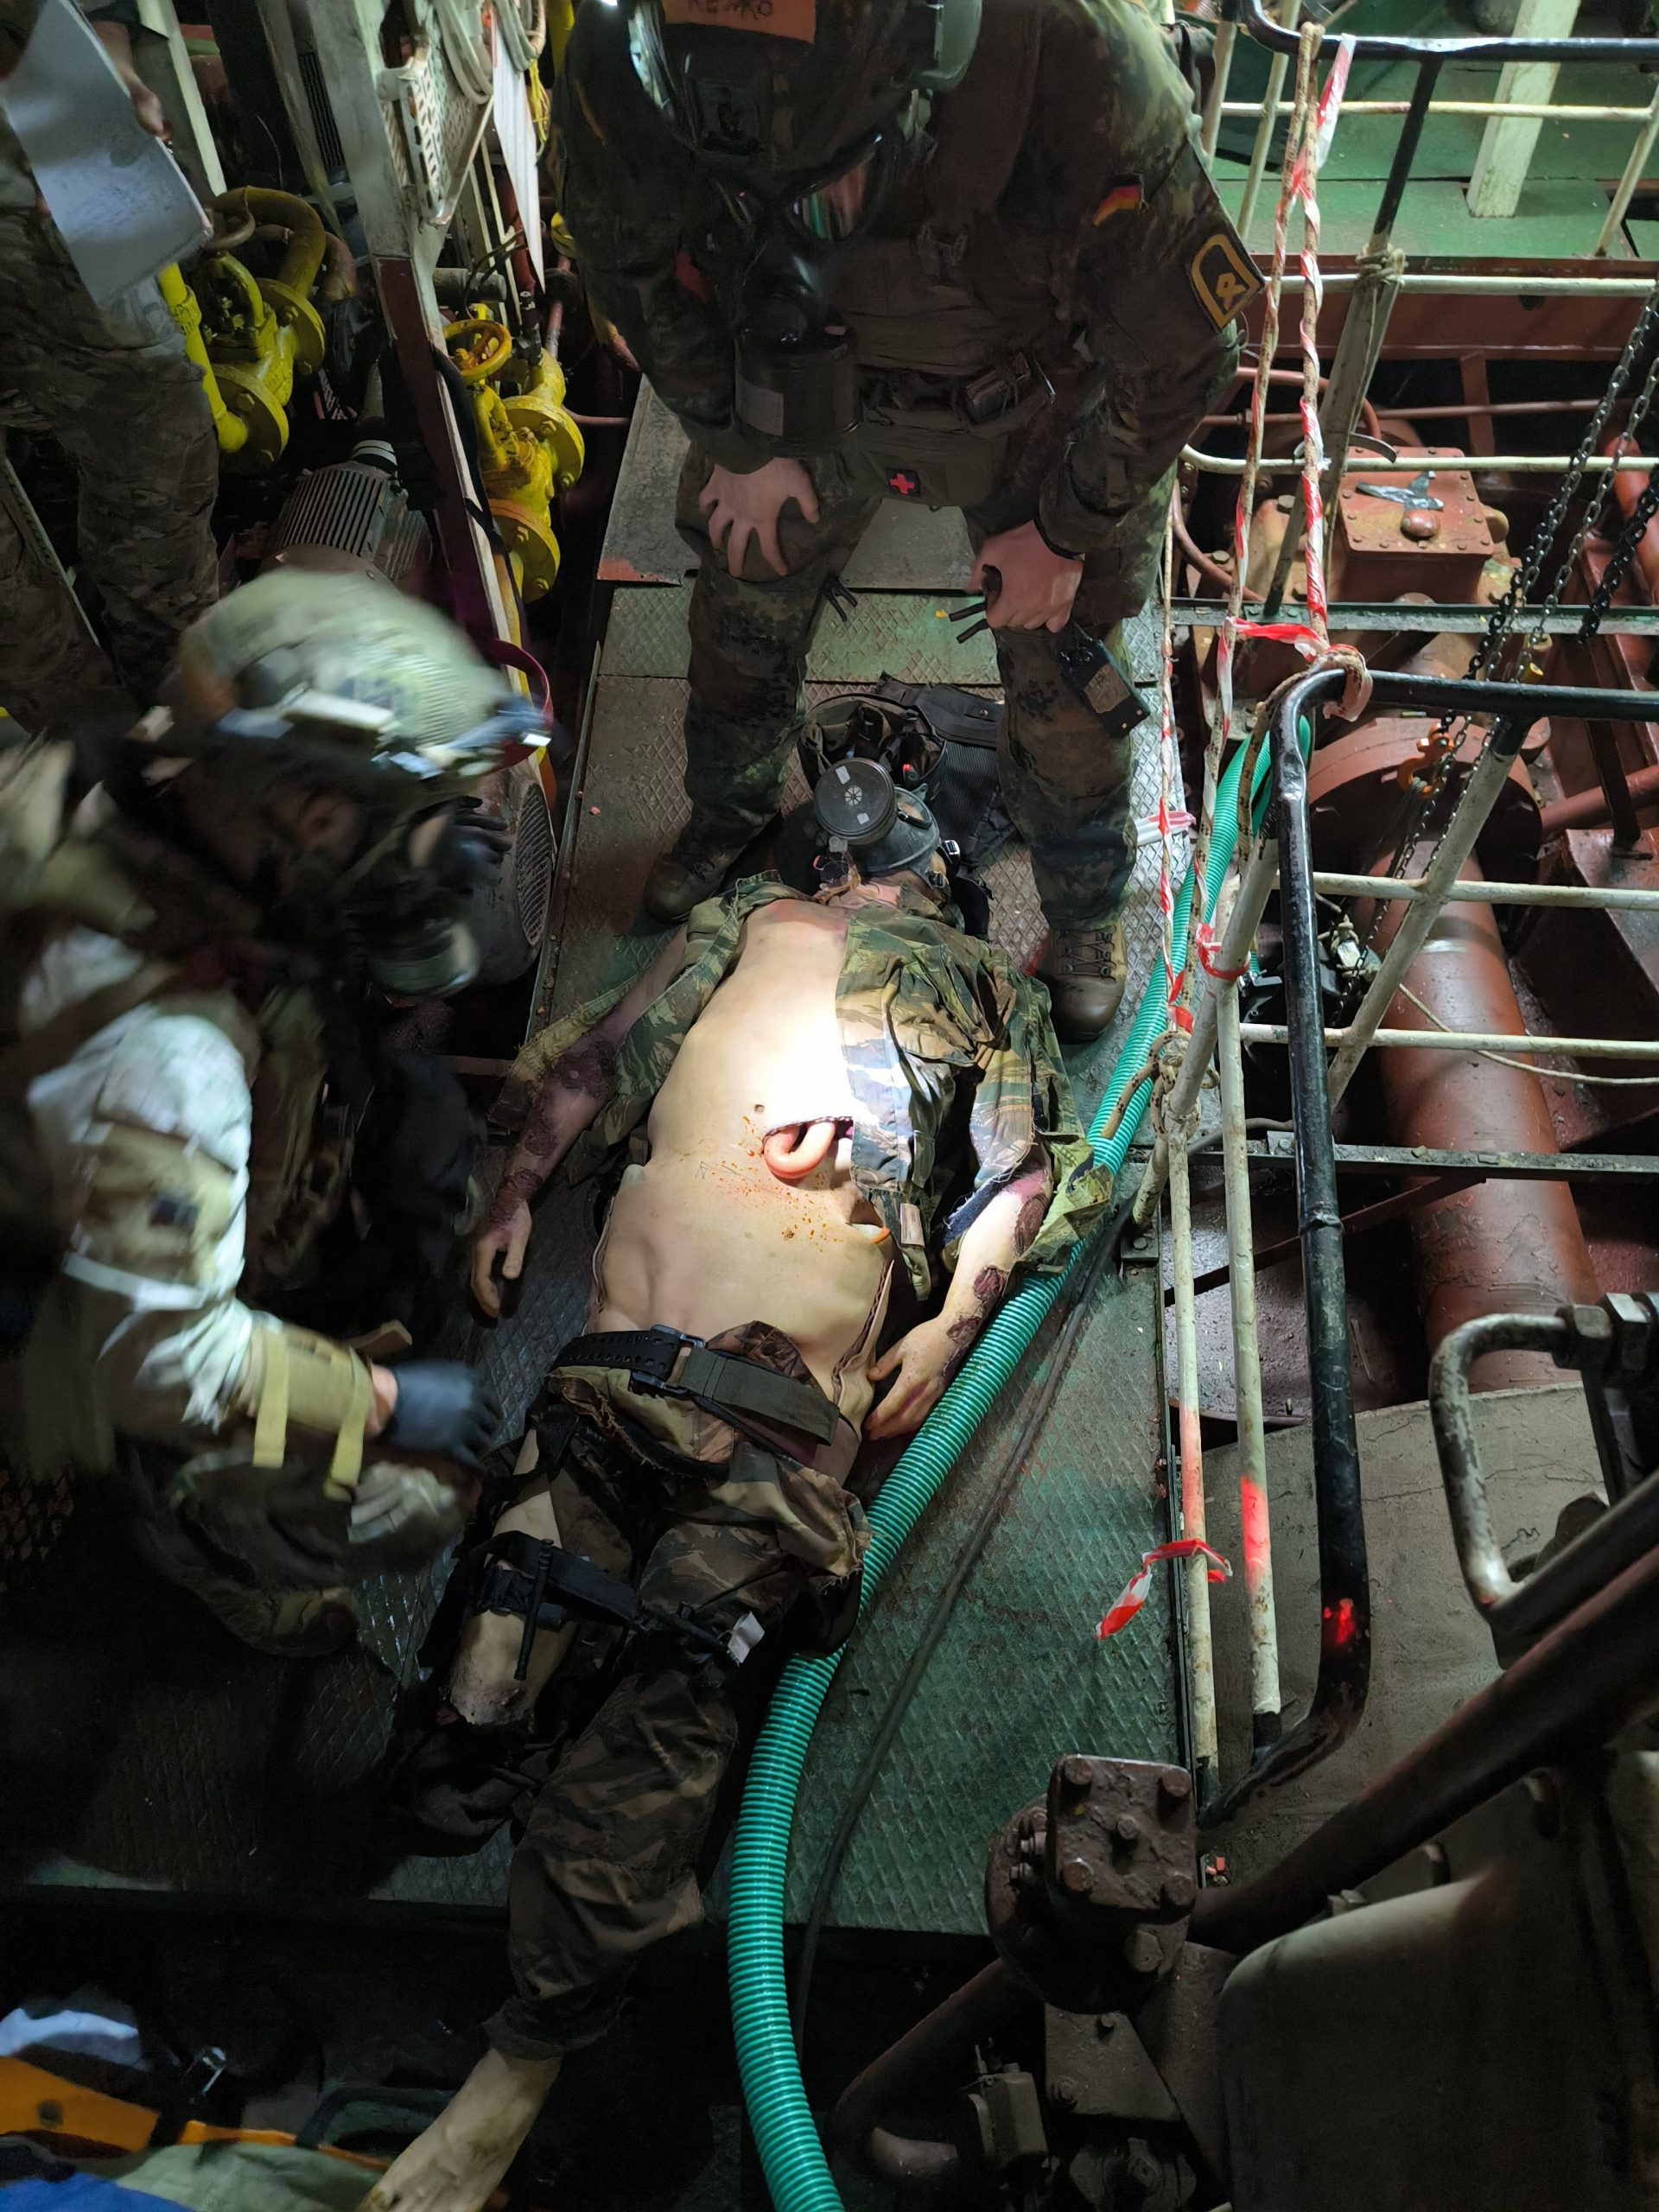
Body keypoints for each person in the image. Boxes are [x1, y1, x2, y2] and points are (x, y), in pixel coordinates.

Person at [367, 766, 1107, 2212]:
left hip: (778, 1429)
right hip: (611, 1380)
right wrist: (517, 1189)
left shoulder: (977, 988)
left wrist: (951, 1326)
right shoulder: (738, 922)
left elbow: (1026, 1173)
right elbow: (598, 1060)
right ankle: (574, 1855)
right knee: (467, 1725)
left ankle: (523, 2063)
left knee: (667, 1707)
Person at [551, 0, 1259, 1037]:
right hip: (796, 383)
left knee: (1069, 679)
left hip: (1040, 407)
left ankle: (1083, 908)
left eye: (822, 182)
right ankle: (727, 816)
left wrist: (1067, 528)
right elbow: (630, 271)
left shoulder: (1077, 62)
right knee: (742, 597)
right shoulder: (624, 56)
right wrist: (739, 440)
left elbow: (1188, 354)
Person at [1, 570, 518, 1654]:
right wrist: (383, 1399)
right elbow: (165, 1363)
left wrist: (395, 877)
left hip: (73, 1149)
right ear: (317, 813)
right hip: (85, 1314)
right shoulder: (168, 1058)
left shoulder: (151, 779)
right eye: (422, 817)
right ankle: (200, 1536)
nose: (446, 839)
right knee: (419, 1486)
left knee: (421, 1130)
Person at [0, 0, 219, 733]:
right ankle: (95, 747)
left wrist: (103, 58)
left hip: (29, 193)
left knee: (157, 430)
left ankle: (190, 718)